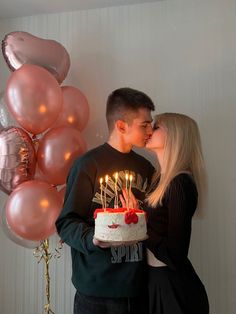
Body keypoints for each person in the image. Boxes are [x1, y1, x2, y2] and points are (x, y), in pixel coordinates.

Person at [55, 87, 155, 314]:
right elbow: (65, 223)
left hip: (137, 289)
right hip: (96, 293)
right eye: (144, 124)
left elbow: (156, 222)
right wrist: (94, 239)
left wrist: (139, 213)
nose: (151, 130)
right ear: (121, 126)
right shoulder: (87, 166)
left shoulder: (146, 169)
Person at [121, 113, 209, 314]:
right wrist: (137, 215)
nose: (149, 130)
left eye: (157, 127)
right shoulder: (159, 180)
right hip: (155, 281)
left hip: (173, 290)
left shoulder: (179, 183)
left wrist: (139, 223)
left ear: (175, 136)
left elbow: (175, 255)